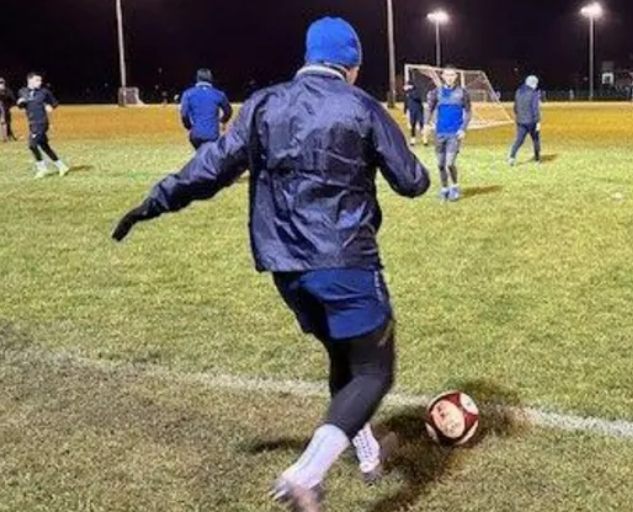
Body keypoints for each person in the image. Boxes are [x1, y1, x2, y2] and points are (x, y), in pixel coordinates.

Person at [111, 17, 430, 512]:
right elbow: (413, 181)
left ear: (308, 57)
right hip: (343, 258)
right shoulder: (360, 105)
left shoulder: (263, 103)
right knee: (373, 369)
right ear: (353, 64)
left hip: (285, 267)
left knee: (342, 356)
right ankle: (306, 474)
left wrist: (155, 201)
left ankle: (367, 455)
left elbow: (211, 167)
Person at [425, 66, 472, 202]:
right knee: (440, 164)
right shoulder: (436, 93)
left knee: (450, 163)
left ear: (456, 76)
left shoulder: (462, 93)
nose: (450, 77)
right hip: (440, 133)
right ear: (443, 76)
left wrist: (463, 128)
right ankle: (444, 188)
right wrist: (427, 123)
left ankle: (455, 187)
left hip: (454, 134)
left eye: (452, 75)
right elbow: (429, 108)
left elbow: (468, 112)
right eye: (447, 75)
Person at [17, 72, 69, 178]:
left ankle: (42, 169)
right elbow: (22, 106)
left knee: (32, 145)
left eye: (40, 80)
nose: (40, 82)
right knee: (44, 146)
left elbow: (55, 103)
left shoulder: (44, 92)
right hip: (32, 123)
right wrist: (19, 102)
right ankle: (62, 166)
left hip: (42, 122)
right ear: (29, 80)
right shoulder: (22, 91)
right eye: (37, 80)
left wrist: (50, 106)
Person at [180, 68, 233, 150]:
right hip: (213, 135)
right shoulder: (219, 94)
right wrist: (223, 120)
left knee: (200, 155)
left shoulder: (188, 94)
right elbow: (228, 111)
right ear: (211, 79)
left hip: (196, 135)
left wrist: (189, 126)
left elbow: (184, 114)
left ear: (197, 79)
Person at [508, 75, 542, 166]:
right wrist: (538, 121)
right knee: (536, 140)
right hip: (531, 122)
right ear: (533, 83)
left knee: (519, 140)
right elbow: (535, 108)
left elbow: (515, 107)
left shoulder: (518, 91)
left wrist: (519, 116)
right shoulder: (534, 93)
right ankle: (537, 159)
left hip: (520, 121)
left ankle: (512, 157)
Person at [403, 79, 427, 147]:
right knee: (412, 126)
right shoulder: (407, 93)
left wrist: (409, 92)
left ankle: (425, 140)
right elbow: (406, 102)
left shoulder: (416, 91)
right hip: (411, 111)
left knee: (421, 124)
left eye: (408, 85)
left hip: (419, 111)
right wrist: (405, 111)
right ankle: (413, 140)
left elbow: (417, 98)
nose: (407, 86)